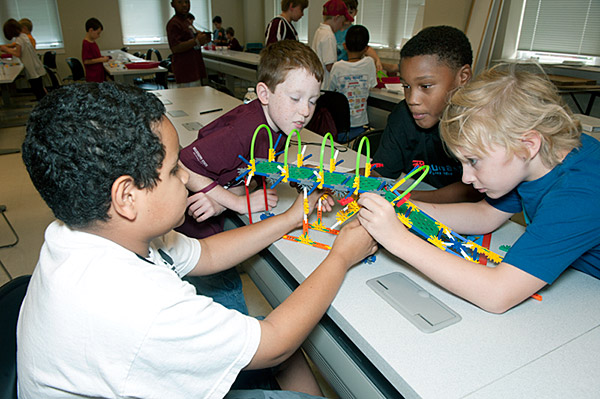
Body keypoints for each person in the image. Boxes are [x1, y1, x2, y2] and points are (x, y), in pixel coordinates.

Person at [18, 82, 377, 398]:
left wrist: (288, 217)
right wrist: (341, 256)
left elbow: (204, 252)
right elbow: (274, 345)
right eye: (175, 169)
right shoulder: (142, 306)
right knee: (285, 347)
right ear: (126, 197)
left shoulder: (89, 232)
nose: (187, 178)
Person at [358, 64, 600, 314]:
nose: (465, 178)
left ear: (529, 144)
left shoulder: (579, 194)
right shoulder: (536, 159)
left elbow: (497, 294)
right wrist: (405, 209)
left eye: (473, 161)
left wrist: (398, 239)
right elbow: (484, 216)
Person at [176, 40, 323, 313]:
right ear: (264, 94)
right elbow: (183, 166)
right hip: (192, 228)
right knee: (225, 296)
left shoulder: (282, 122)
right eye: (296, 98)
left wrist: (307, 179)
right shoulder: (242, 130)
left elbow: (265, 162)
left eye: (313, 101)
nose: (305, 111)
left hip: (214, 207)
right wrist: (238, 202)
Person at [371, 25, 482, 203]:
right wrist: (329, 179)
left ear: (463, 77)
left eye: (425, 86)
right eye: (406, 86)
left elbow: (474, 191)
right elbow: (379, 172)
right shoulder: (403, 115)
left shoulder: (482, 123)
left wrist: (403, 197)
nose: (412, 99)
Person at [329, 24, 377, 143]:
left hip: (340, 126)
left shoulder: (337, 67)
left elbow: (329, 90)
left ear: (344, 46)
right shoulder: (369, 63)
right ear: (366, 48)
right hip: (360, 127)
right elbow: (372, 84)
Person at [166, 0, 211, 87]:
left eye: (186, 2)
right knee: (189, 98)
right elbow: (175, 48)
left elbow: (192, 39)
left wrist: (203, 38)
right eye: (180, 2)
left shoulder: (186, 22)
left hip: (194, 68)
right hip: (185, 70)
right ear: (172, 4)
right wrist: (196, 41)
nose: (184, 5)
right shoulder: (174, 23)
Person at [311, 0, 354, 89]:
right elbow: (330, 66)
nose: (341, 26)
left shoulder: (320, 31)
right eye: (342, 23)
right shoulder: (329, 36)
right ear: (336, 18)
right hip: (325, 87)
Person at [0, 19, 46, 101]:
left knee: (38, 90)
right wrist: (7, 48)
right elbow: (20, 50)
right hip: (35, 66)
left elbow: (18, 53)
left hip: (31, 67)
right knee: (39, 88)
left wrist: (6, 49)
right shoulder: (24, 36)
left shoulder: (19, 39)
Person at [334, 0, 382, 71]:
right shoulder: (333, 30)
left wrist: (377, 60)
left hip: (350, 69)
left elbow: (367, 48)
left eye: (350, 12)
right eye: (344, 13)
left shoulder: (355, 31)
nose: (347, 16)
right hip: (335, 69)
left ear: (355, 12)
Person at [82, 18, 109, 83]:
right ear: (91, 30)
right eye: (98, 33)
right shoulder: (86, 43)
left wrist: (102, 57)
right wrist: (101, 60)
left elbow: (94, 56)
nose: (99, 36)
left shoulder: (92, 42)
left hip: (98, 74)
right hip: (93, 76)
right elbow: (86, 61)